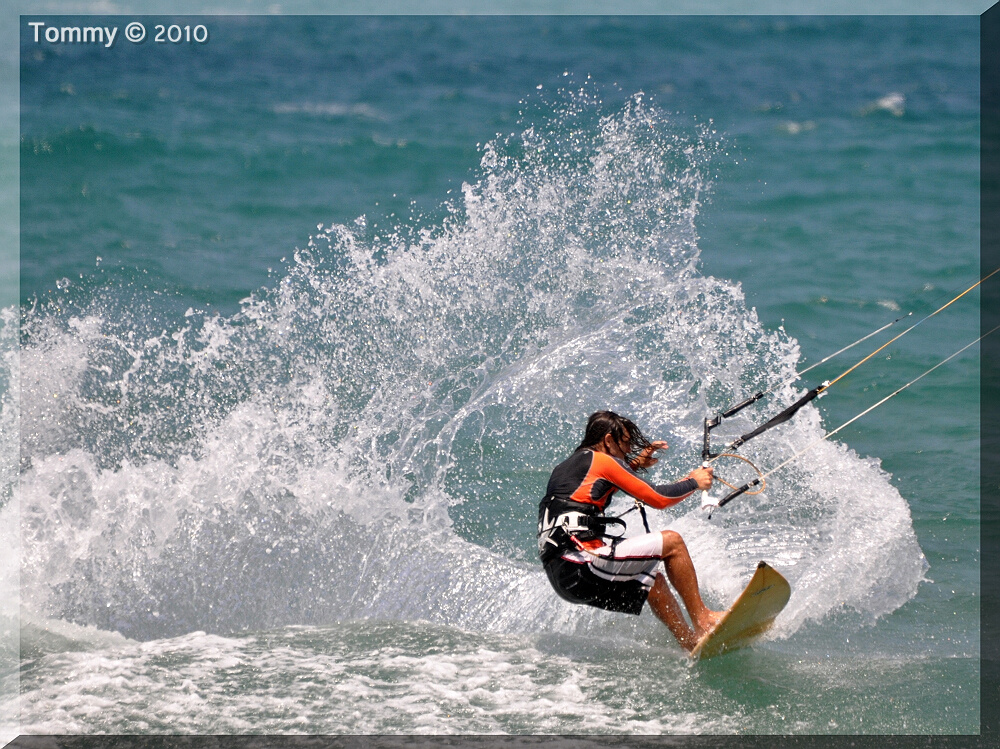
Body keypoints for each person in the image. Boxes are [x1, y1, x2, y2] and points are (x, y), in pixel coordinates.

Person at [537, 410, 722, 651]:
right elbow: (658, 498)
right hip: (582, 564)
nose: (626, 453)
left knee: (653, 579)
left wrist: (633, 465)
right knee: (672, 542)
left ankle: (689, 643)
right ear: (608, 440)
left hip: (564, 576)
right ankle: (703, 618)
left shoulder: (566, 468)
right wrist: (694, 482)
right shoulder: (601, 460)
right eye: (625, 445)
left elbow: (598, 486)